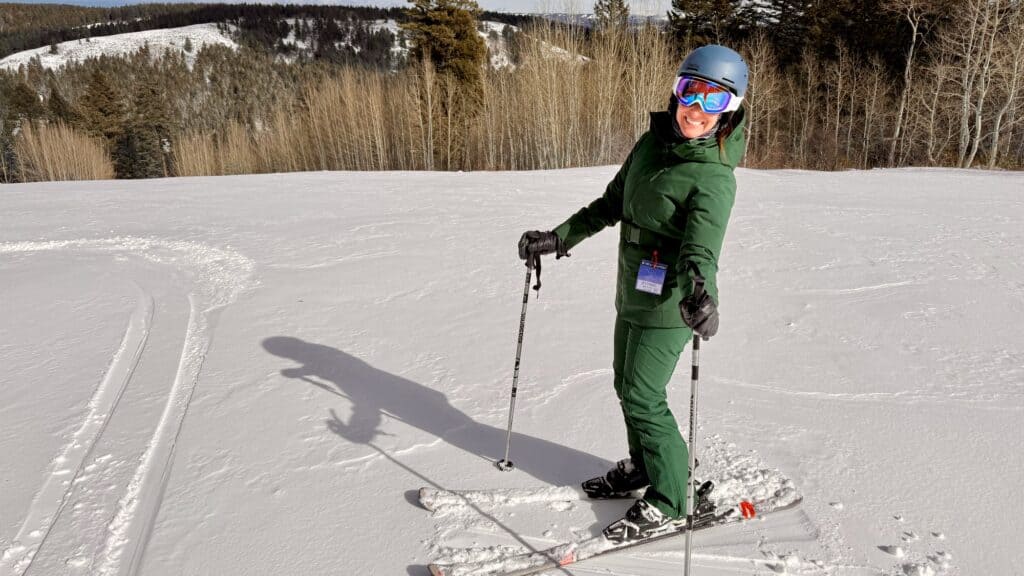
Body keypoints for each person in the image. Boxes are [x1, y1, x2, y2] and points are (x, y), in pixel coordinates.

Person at [517, 45, 748, 543]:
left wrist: (702, 294)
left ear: (728, 111)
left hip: (671, 302)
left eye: (713, 100)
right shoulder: (650, 143)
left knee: (644, 395)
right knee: (626, 385)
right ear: (676, 90)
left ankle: (670, 497)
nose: (696, 109)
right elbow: (609, 204)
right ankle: (645, 466)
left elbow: (700, 249)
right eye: (691, 91)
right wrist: (559, 238)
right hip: (633, 287)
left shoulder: (714, 177)